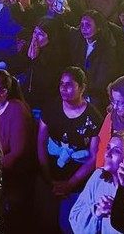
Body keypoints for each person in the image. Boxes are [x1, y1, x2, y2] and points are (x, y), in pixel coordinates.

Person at [35, 67, 104, 233]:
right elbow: (41, 143)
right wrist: (48, 178)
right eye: (61, 84)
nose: (63, 88)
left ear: (82, 88)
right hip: (49, 178)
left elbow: (93, 157)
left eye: (69, 85)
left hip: (77, 183)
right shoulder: (51, 109)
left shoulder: (93, 117)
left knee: (69, 225)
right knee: (44, 222)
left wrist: (70, 184)